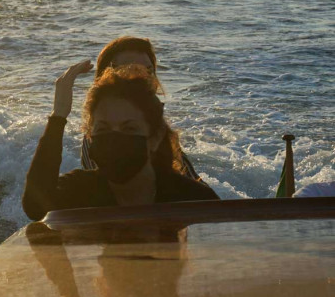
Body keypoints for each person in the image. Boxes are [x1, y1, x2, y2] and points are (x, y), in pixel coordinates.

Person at [22, 64, 218, 221]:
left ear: (155, 137)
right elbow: (35, 207)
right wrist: (58, 116)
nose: (115, 140)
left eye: (130, 129)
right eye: (103, 129)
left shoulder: (190, 198)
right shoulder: (81, 190)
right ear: (90, 136)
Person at [79, 37, 201, 181]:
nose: (145, 79)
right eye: (132, 70)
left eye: (149, 71)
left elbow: (194, 188)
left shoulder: (155, 126)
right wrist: (59, 115)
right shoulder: (98, 136)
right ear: (107, 78)